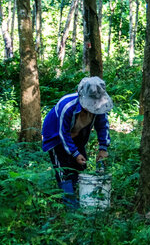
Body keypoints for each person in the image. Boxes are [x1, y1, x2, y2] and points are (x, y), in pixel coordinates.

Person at [42, 76, 113, 207]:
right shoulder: (67, 105)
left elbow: (103, 126)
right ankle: (71, 206)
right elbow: (63, 133)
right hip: (56, 136)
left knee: (80, 165)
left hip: (78, 134)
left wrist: (103, 148)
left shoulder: (99, 106)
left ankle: (81, 196)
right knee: (63, 169)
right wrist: (74, 153)